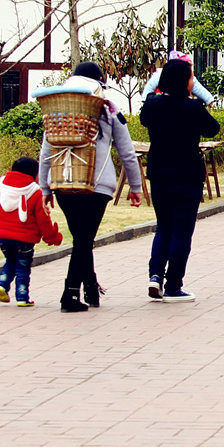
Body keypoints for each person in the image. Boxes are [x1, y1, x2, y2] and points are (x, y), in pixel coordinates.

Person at [39, 61, 144, 312]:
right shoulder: (108, 109)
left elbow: (46, 150)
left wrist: (44, 188)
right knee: (84, 239)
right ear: (99, 81)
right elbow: (127, 152)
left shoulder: (59, 109)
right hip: (98, 186)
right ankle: (70, 295)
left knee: (82, 238)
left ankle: (91, 288)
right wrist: (136, 185)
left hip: (63, 180)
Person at [138, 59, 220, 302]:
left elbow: (144, 120)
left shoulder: (152, 104)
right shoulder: (192, 108)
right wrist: (201, 102)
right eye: (191, 78)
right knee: (182, 232)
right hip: (187, 175)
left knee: (163, 227)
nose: (193, 82)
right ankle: (173, 285)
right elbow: (212, 129)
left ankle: (155, 276)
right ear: (185, 81)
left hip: (159, 173)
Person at [0, 156, 62, 306]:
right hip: (25, 240)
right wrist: (51, 237)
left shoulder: (1, 188)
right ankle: (22, 298)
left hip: (3, 238)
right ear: (34, 174)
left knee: (10, 260)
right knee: (22, 268)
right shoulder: (36, 193)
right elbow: (43, 220)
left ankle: (2, 284)